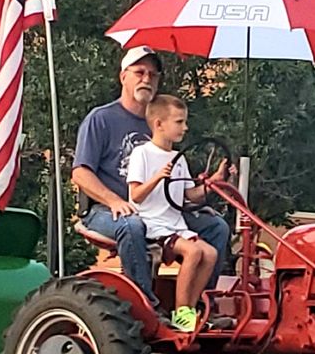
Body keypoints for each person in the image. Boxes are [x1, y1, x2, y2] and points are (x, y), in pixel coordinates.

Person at [70, 48, 231, 301]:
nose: (147, 79)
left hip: (162, 211)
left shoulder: (164, 121)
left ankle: (199, 303)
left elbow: (180, 185)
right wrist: (114, 201)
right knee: (131, 224)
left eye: (153, 75)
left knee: (216, 227)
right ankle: (147, 306)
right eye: (139, 72)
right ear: (123, 77)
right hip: (107, 209)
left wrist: (207, 189)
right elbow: (80, 173)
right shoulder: (101, 119)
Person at [125, 94, 217, 331]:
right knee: (194, 252)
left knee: (211, 253)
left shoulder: (179, 158)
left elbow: (189, 195)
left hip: (175, 224)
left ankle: (192, 307)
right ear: (159, 124)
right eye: (179, 122)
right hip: (153, 224)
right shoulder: (142, 154)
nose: (185, 128)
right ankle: (181, 312)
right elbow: (135, 196)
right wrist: (157, 178)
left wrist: (213, 183)